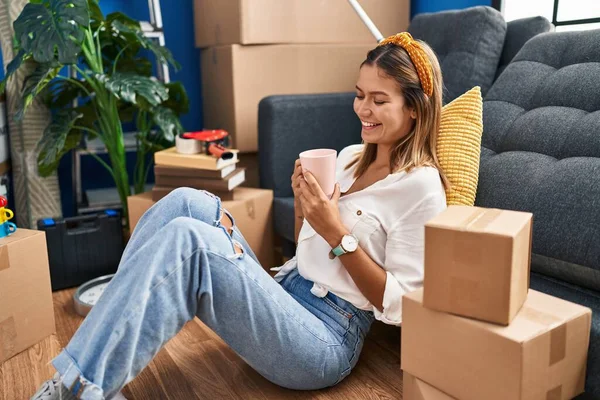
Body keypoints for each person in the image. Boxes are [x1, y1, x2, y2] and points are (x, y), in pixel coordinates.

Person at [31, 32, 448, 400]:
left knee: (190, 243)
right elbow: (309, 247)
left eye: (379, 100)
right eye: (359, 94)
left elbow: (403, 307)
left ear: (415, 108)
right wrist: (305, 206)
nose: (363, 109)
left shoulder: (421, 188)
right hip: (288, 292)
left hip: (326, 338)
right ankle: (93, 364)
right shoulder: (350, 157)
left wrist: (336, 232)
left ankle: (81, 387)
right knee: (187, 201)